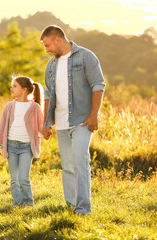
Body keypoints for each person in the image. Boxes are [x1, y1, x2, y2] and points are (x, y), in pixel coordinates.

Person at [40, 25, 105, 215]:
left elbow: (98, 85)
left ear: (58, 39)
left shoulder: (86, 57)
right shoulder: (51, 65)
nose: (47, 50)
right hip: (61, 123)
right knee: (67, 165)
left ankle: (83, 208)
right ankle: (71, 205)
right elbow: (48, 94)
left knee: (79, 161)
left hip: (82, 121)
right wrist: (46, 122)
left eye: (47, 45)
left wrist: (94, 115)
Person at [0, 76, 44, 206]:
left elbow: (41, 127)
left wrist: (47, 132)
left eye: (15, 86)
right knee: (14, 179)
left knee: (23, 178)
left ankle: (28, 203)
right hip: (11, 146)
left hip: (27, 147)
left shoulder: (35, 107)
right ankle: (17, 203)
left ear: (24, 90)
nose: (11, 88)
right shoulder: (9, 106)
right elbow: (2, 126)